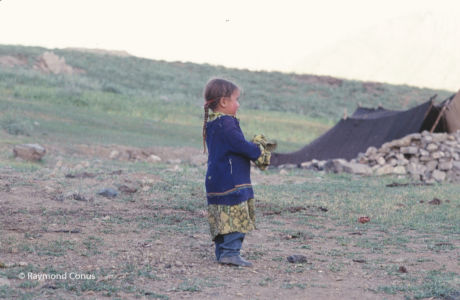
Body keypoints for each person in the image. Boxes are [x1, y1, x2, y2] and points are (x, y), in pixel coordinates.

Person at [202, 78, 275, 267]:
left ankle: (222, 252)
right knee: (236, 217)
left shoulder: (212, 123)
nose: (238, 104)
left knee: (222, 216)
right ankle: (230, 253)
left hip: (216, 179)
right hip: (232, 181)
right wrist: (258, 150)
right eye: (236, 99)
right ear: (224, 102)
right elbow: (239, 144)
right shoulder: (227, 123)